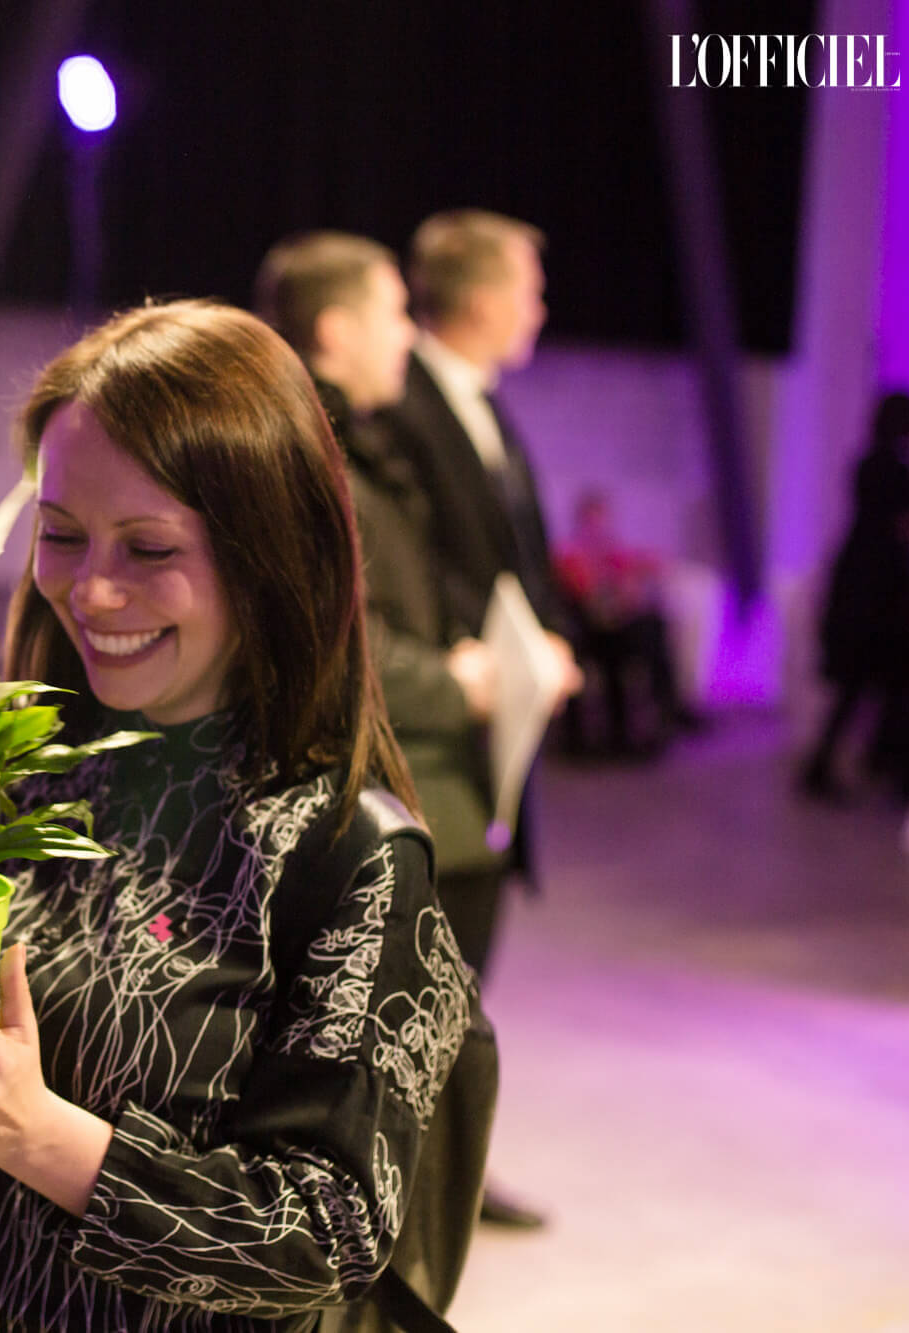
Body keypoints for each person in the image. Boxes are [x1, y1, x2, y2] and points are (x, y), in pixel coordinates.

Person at [0, 300, 478, 1332]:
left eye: (149, 548)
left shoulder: (347, 853)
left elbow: (326, 1234)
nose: (93, 592)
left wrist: (34, 1135)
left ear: (268, 554)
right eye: (62, 535)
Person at [372, 211, 580, 1230]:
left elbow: (510, 557)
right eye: (529, 288)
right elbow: (421, 571)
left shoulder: (479, 403)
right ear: (486, 297)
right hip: (440, 725)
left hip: (492, 717)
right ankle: (409, 1185)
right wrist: (495, 657)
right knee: (424, 970)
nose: (538, 308)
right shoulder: (404, 403)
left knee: (462, 972)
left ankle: (448, 1171)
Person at [257, 230, 506, 1017]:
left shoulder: (356, 448)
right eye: (394, 314)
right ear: (337, 331)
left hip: (408, 784)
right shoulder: (310, 459)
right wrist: (453, 682)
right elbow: (338, 643)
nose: (408, 334)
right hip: (385, 791)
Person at [803, 390, 909, 853]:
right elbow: (907, 525)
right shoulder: (893, 469)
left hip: (862, 589)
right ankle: (877, 768)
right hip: (877, 598)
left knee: (868, 686)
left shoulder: (869, 463)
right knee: (877, 684)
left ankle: (871, 763)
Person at [551, 488, 705, 758]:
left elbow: (654, 565)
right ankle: (664, 712)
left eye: (602, 522)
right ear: (582, 524)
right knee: (632, 646)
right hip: (588, 636)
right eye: (593, 522)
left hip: (617, 633)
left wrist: (630, 587)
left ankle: (662, 716)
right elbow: (585, 598)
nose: (599, 529)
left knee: (652, 629)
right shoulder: (572, 557)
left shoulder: (614, 554)